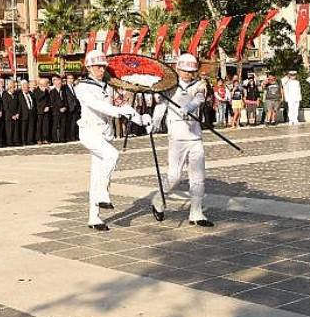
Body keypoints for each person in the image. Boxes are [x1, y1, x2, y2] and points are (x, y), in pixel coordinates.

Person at [77, 50, 144, 231]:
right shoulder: (82, 87)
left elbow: (123, 104)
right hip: (89, 132)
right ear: (89, 67)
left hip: (105, 134)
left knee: (97, 174)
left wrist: (141, 119)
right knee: (112, 156)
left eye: (103, 66)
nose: (101, 69)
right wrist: (118, 112)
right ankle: (102, 193)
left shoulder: (109, 86)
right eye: (97, 66)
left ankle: (94, 217)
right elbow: (97, 105)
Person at [150, 53, 213, 227]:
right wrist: (155, 123)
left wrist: (190, 106)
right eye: (184, 70)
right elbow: (161, 105)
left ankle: (196, 213)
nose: (187, 74)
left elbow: (200, 98)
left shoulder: (200, 84)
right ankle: (158, 201)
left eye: (190, 71)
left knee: (198, 176)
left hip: (194, 134)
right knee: (174, 176)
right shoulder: (169, 85)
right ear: (178, 68)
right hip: (177, 135)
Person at [18, 80, 36, 145]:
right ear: (22, 87)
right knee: (24, 129)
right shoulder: (19, 95)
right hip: (24, 114)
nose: (26, 88)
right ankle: (24, 141)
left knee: (31, 127)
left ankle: (30, 140)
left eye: (27, 87)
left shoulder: (31, 94)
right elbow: (19, 105)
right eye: (24, 87)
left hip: (31, 113)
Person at [49, 76, 67, 143]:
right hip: (56, 111)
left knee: (63, 125)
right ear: (55, 83)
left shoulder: (63, 91)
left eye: (60, 82)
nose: (59, 83)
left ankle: (62, 138)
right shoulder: (52, 92)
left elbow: (66, 100)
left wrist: (65, 107)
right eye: (58, 82)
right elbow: (53, 103)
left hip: (63, 111)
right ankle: (55, 139)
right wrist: (59, 109)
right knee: (55, 125)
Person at [2, 81, 20, 146]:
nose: (14, 89)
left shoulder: (15, 95)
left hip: (16, 115)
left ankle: (15, 141)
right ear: (9, 88)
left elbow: (18, 105)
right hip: (9, 116)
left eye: (14, 87)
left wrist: (17, 113)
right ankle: (9, 142)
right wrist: (12, 115)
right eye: (13, 87)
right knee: (9, 129)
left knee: (15, 129)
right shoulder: (5, 95)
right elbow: (6, 107)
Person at [33, 78, 51, 144]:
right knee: (39, 126)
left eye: (46, 84)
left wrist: (48, 106)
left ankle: (45, 138)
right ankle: (39, 139)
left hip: (46, 110)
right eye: (44, 84)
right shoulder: (36, 90)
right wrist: (43, 92)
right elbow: (38, 99)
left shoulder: (46, 91)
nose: (46, 85)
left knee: (45, 125)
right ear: (40, 84)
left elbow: (49, 100)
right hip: (39, 111)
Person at [64, 74, 80, 141]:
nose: (71, 80)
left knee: (75, 123)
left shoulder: (74, 87)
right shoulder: (64, 87)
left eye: (72, 78)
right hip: (69, 107)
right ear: (67, 79)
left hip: (75, 107)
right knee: (69, 123)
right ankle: (69, 137)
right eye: (69, 78)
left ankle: (74, 136)